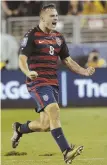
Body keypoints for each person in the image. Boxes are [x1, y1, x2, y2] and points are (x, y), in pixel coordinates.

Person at [11, 4, 95, 164]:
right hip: (37, 82)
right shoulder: (32, 35)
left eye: (56, 16)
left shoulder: (58, 38)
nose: (55, 18)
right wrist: (28, 72)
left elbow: (68, 61)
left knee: (45, 125)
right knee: (54, 110)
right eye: (52, 16)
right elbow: (22, 59)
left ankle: (19, 128)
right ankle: (66, 152)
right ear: (42, 18)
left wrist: (83, 71)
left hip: (53, 83)